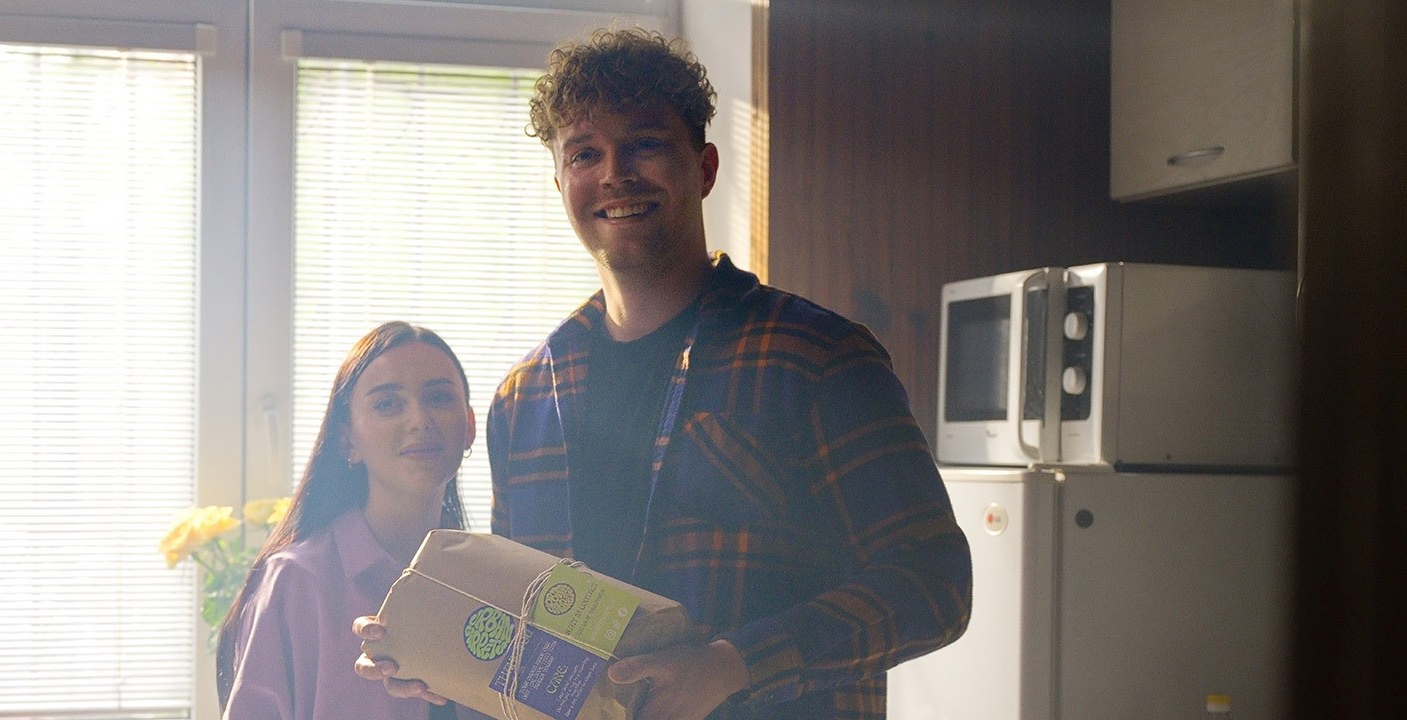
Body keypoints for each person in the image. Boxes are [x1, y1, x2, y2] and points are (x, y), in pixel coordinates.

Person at [355, 27, 973, 720]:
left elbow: (934, 583)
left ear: (704, 167)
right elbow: (525, 645)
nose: (615, 173)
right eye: (585, 153)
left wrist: (730, 667)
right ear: (561, 181)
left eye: (645, 144)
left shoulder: (818, 359)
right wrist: (439, 666)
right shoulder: (525, 397)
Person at [218, 321, 479, 720]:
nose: (419, 419)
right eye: (388, 403)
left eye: (440, 397)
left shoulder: (491, 582)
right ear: (347, 440)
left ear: (470, 426)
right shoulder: (296, 580)